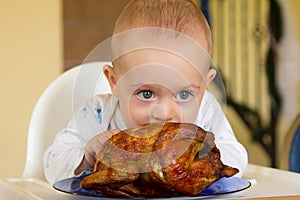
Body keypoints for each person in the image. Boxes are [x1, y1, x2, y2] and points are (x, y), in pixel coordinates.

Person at [44, 0, 248, 184]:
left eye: (184, 95)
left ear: (204, 85)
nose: (165, 113)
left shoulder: (205, 110)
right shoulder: (97, 114)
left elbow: (237, 157)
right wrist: (87, 157)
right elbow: (52, 163)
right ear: (114, 81)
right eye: (147, 94)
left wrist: (196, 158)